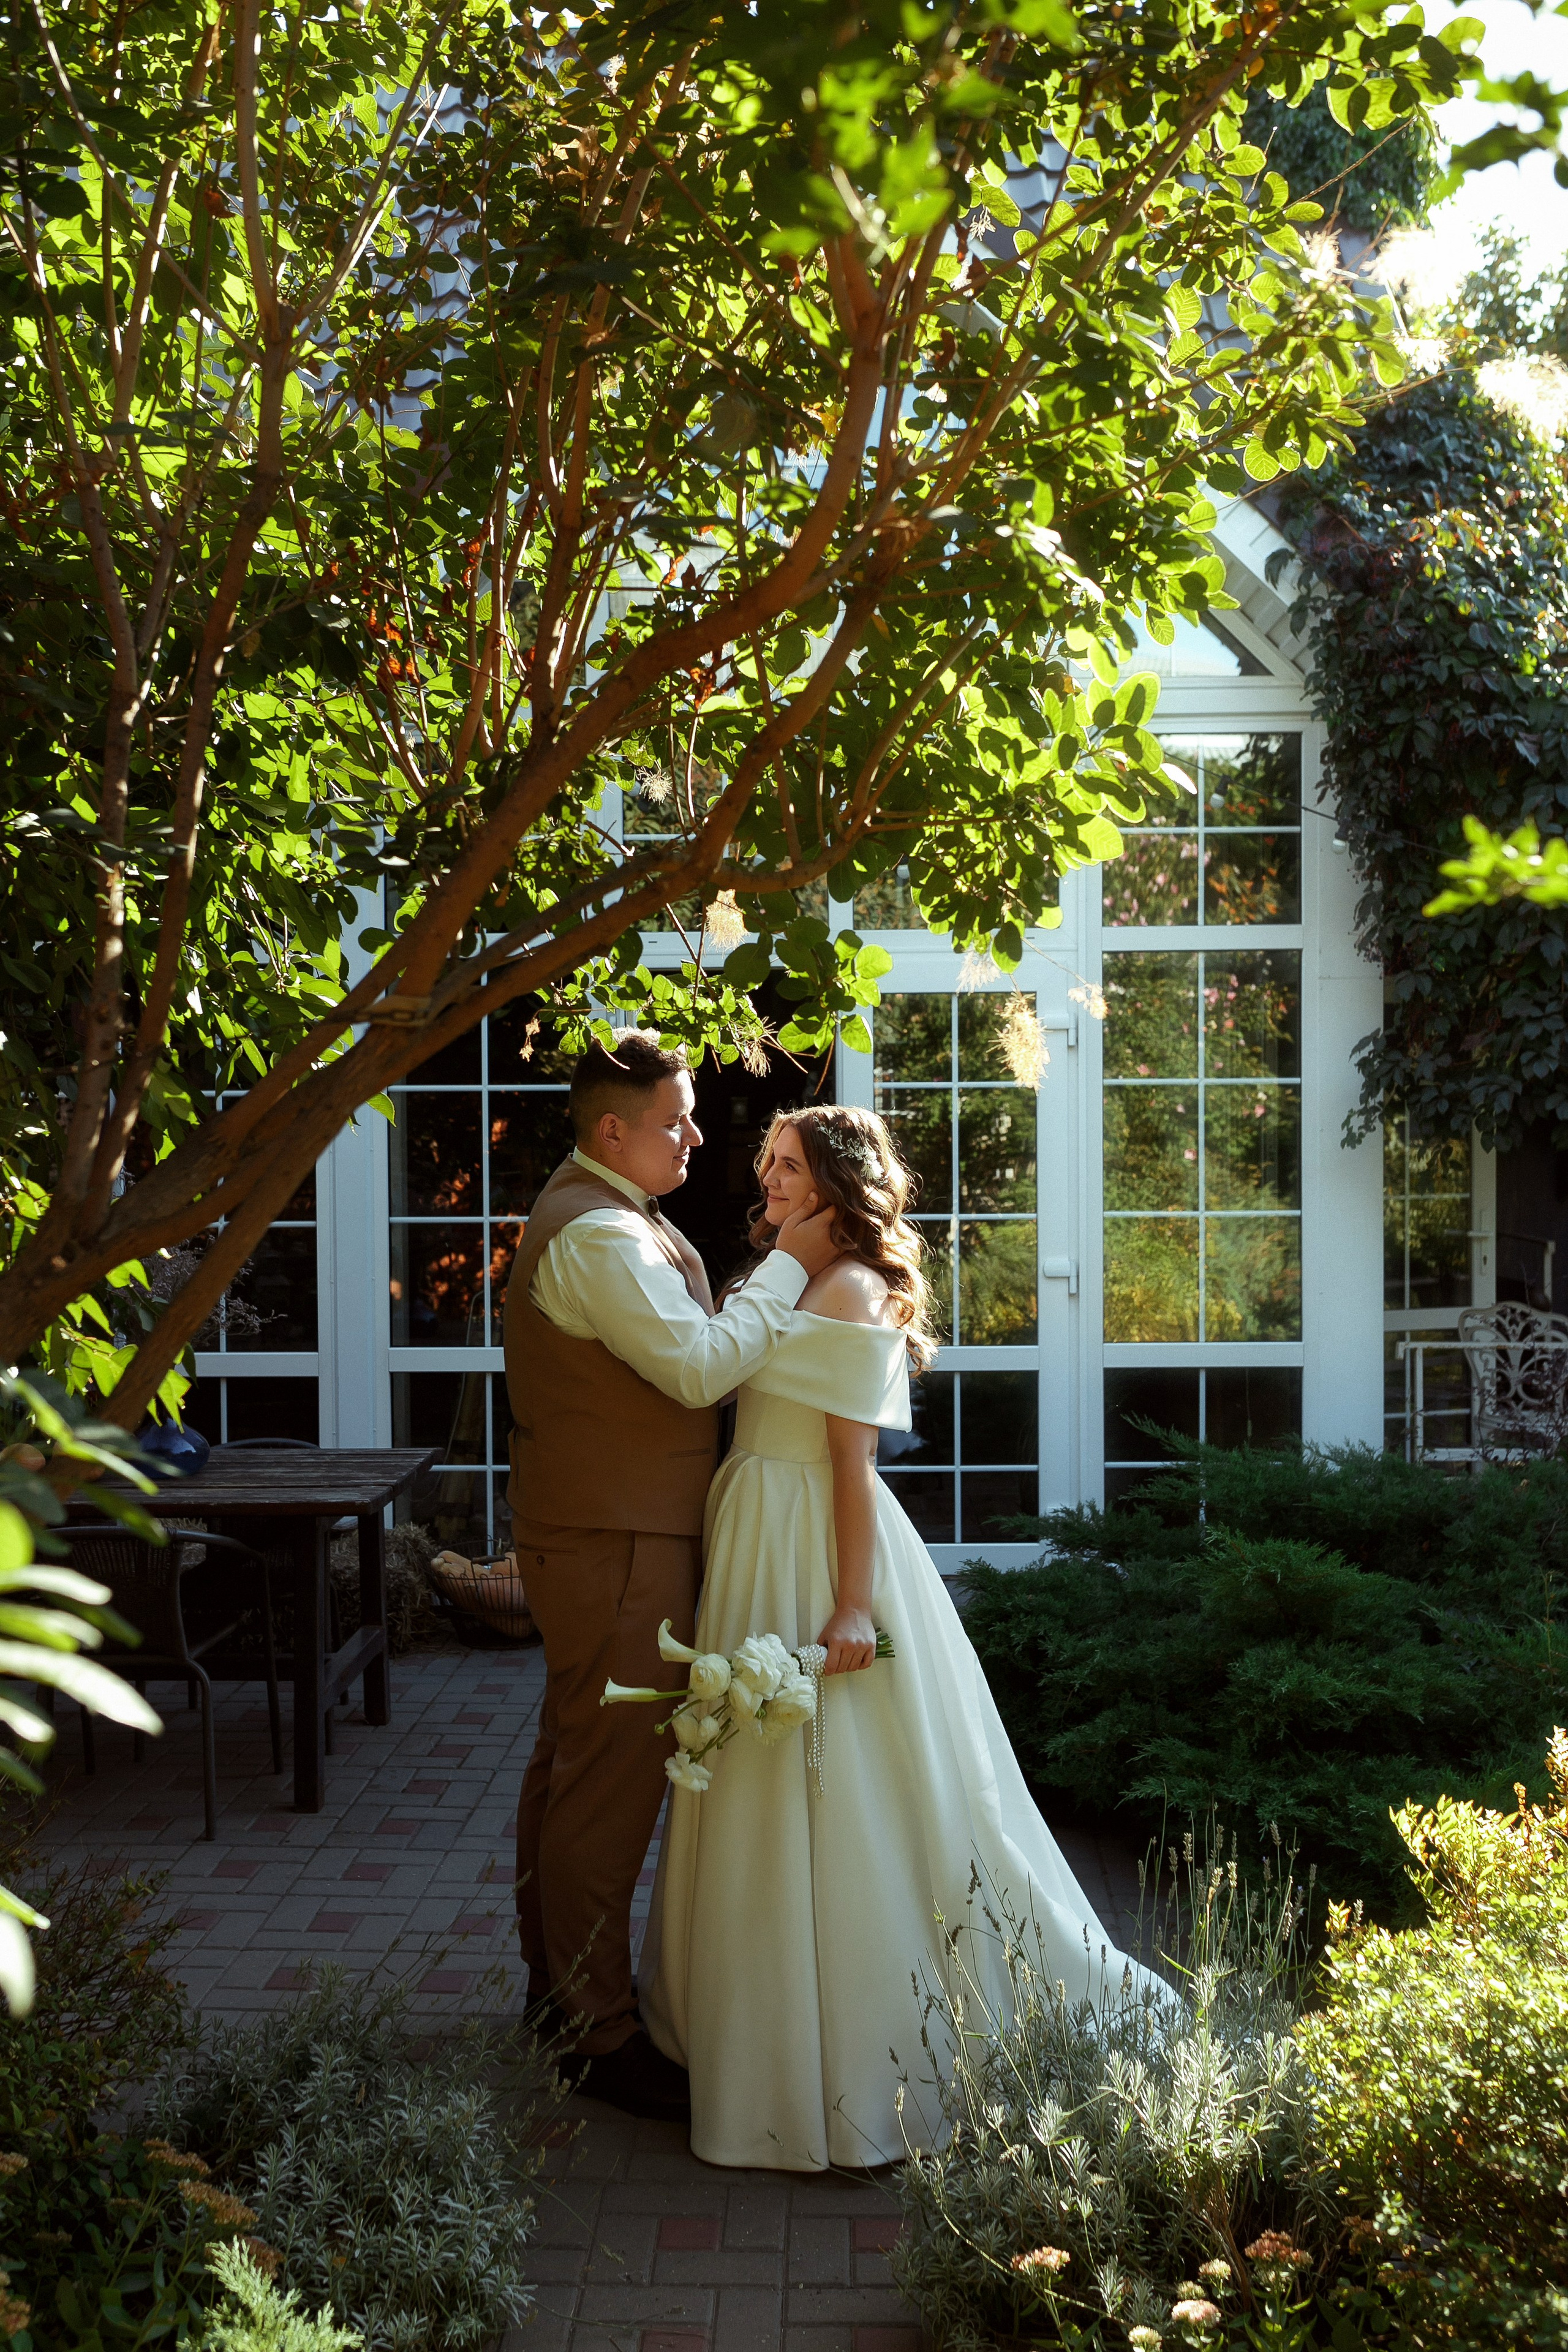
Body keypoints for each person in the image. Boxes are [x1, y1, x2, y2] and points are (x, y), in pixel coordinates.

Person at [641, 1103, 1160, 2170]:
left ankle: (855, 2058)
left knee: (847, 1785)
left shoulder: (854, 1285)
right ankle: (751, 2030)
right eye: (769, 1163)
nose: (769, 1179)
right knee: (755, 1772)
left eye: (789, 1166)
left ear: (838, 1183)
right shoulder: (789, 1264)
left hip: (814, 1546)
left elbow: (851, 1465)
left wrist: (850, 1607)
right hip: (755, 1526)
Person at [502, 1030, 837, 2121]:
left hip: (607, 1533)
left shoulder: (609, 1219)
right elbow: (696, 1372)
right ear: (613, 1129)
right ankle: (593, 2033)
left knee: (572, 1769)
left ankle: (558, 1998)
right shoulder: (599, 1236)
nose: (698, 1135)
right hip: (617, 1545)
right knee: (606, 1784)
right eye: (676, 1119)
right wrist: (791, 1264)